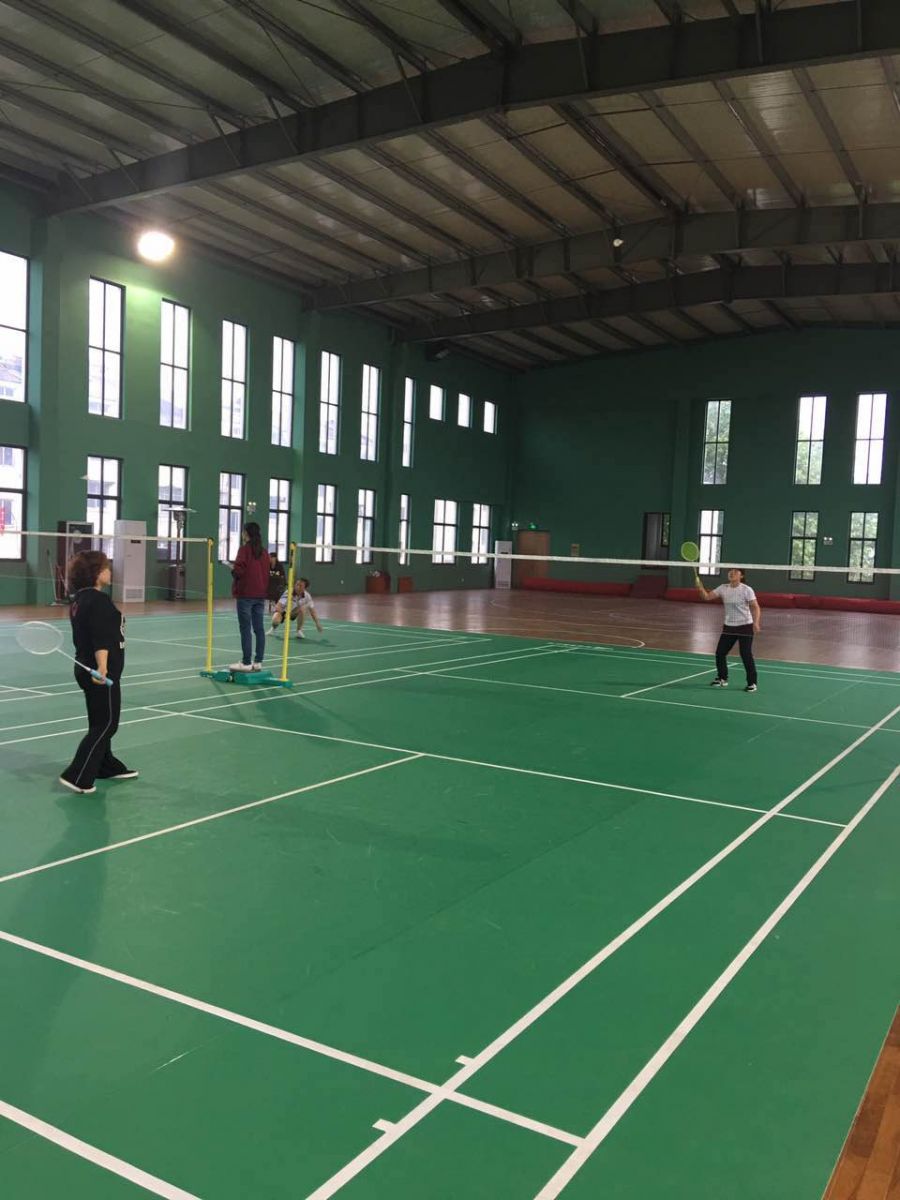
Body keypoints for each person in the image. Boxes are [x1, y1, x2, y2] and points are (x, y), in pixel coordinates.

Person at [59, 550, 136, 795]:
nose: (109, 571)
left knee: (99, 720)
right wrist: (103, 666)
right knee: (107, 724)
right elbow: (101, 636)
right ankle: (78, 775)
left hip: (84, 668)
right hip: (100, 672)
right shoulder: (99, 600)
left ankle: (105, 765)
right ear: (96, 573)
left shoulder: (79, 600)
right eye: (106, 567)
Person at [695, 567, 760, 691]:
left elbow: (755, 607)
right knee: (720, 653)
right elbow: (706, 597)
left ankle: (752, 683)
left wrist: (756, 622)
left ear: (741, 576)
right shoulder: (723, 588)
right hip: (729, 626)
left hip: (745, 626)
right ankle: (722, 678)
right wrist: (700, 587)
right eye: (731, 571)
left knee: (745, 654)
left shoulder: (747, 590)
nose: (732, 573)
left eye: (735, 572)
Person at [230, 521, 269, 672]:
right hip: (260, 595)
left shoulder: (244, 550)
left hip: (246, 594)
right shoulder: (264, 552)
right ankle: (258, 662)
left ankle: (246, 662)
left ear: (246, 533)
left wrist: (233, 569)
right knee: (259, 628)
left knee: (245, 628)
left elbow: (239, 571)